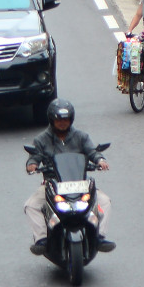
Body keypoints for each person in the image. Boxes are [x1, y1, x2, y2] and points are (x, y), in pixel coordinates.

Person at [23, 99, 114, 255]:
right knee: (31, 205)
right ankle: (42, 239)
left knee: (104, 201)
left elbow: (92, 152)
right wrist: (32, 165)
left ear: (71, 119)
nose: (62, 123)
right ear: (52, 120)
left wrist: (100, 160)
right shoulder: (41, 139)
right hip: (52, 185)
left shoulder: (81, 136)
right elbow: (34, 157)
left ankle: (99, 236)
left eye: (65, 119)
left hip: (80, 184)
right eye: (59, 119)